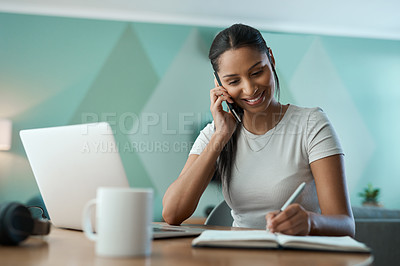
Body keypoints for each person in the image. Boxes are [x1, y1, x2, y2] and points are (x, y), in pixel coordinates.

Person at [162, 24, 355, 237]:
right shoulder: (214, 133)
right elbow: (172, 214)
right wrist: (220, 136)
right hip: (239, 254)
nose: (250, 88)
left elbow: (346, 224)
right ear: (218, 83)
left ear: (270, 59)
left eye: (256, 72)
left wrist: (310, 222)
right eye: (234, 81)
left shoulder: (312, 124)